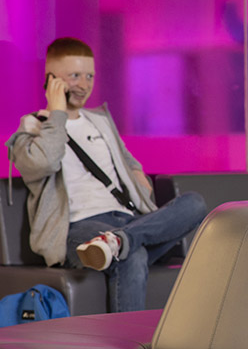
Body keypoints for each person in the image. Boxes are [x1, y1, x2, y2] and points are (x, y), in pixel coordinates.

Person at [6, 37, 207, 314]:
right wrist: (57, 114)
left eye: (89, 76)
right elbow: (44, 163)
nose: (85, 84)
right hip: (78, 229)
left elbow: (127, 160)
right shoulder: (32, 129)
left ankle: (119, 241)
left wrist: (137, 174)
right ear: (51, 79)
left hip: (127, 219)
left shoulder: (100, 121)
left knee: (194, 204)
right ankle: (128, 346)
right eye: (74, 75)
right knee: (132, 256)